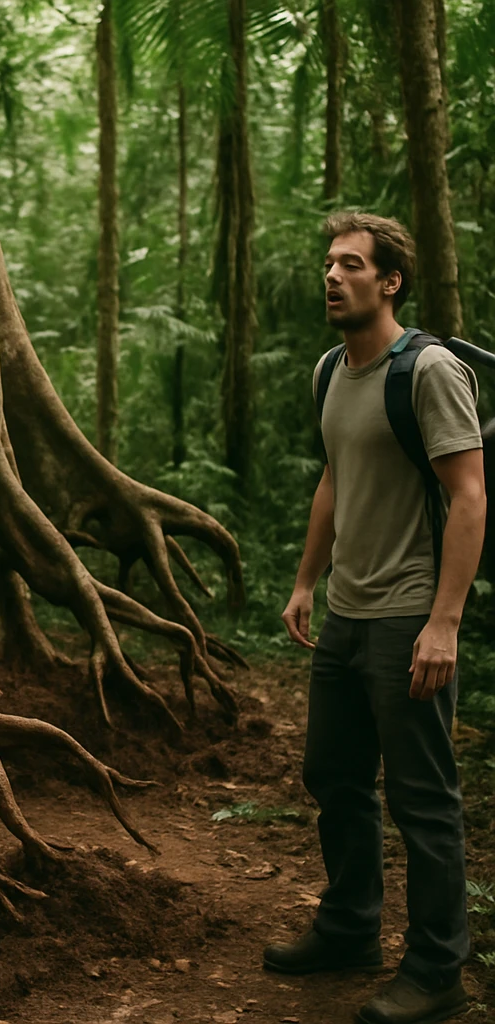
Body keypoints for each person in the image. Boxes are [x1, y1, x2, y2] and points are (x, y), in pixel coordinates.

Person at [265, 212, 487, 1024]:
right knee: (335, 778)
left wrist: (445, 622)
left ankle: (438, 972)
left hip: (407, 616)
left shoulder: (426, 370)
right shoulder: (331, 369)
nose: (332, 275)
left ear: (389, 280)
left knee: (423, 799)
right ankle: (352, 928)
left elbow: (469, 495)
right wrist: (305, 580)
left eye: (351, 264)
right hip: (348, 615)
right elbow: (335, 477)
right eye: (328, 262)